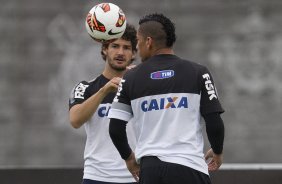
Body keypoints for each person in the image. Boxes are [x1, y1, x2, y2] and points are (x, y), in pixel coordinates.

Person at [108, 13, 225, 184]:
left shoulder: (130, 78)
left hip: (150, 171)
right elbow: (214, 121)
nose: (137, 48)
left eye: (138, 42)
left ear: (148, 42)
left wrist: (129, 160)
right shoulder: (199, 72)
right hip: (190, 168)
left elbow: (115, 128)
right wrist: (217, 151)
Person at [69, 24, 138, 184]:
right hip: (97, 176)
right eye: (115, 46)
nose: (120, 52)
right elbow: (75, 120)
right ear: (104, 49)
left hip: (135, 175)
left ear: (134, 53)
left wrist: (139, 80)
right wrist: (103, 91)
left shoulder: (141, 86)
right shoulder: (86, 87)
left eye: (127, 48)